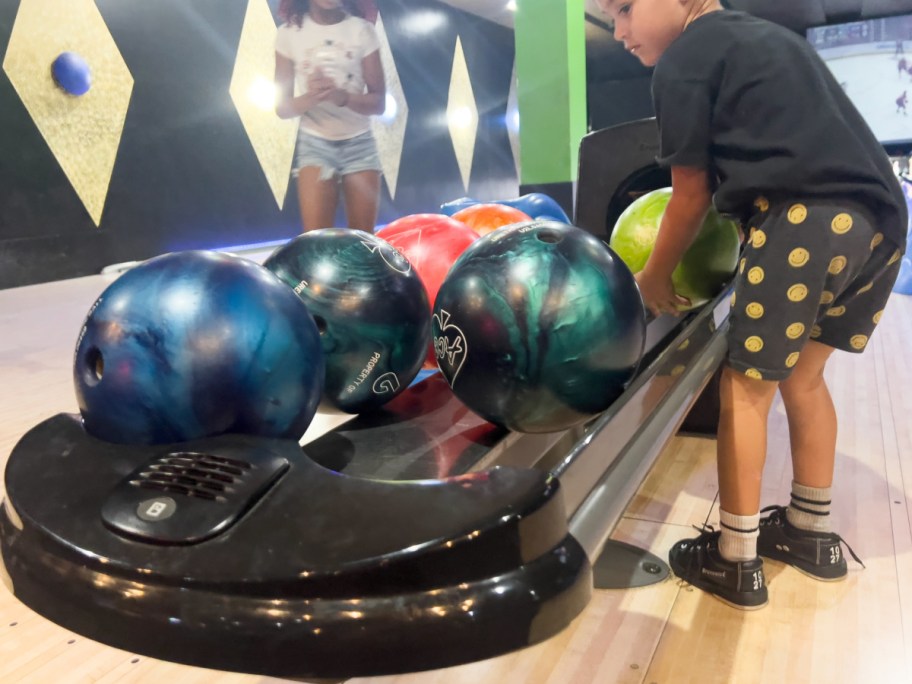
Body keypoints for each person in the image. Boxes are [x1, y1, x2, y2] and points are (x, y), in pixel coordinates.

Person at [599, 0, 908, 609]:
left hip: (801, 222)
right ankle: (808, 534)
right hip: (880, 225)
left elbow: (689, 195)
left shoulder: (685, 59)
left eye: (626, 8)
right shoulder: (766, 39)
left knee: (745, 389)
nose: (619, 31)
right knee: (805, 379)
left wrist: (652, 277)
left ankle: (735, 560)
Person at [275, 0, 385, 232]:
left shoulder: (362, 30)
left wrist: (341, 96)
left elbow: (379, 103)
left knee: (364, 242)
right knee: (316, 240)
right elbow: (282, 108)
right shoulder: (288, 34)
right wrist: (314, 96)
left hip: (359, 142)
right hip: (315, 142)